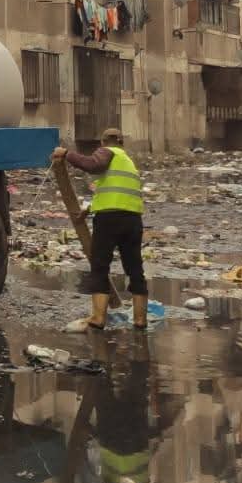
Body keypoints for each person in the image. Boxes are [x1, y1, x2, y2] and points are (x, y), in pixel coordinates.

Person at [53, 126, 147, 330]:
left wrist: (66, 154)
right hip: (133, 220)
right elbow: (115, 192)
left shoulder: (107, 152)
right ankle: (140, 319)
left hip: (109, 220)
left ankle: (98, 318)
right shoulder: (128, 162)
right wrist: (89, 209)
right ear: (122, 143)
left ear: (103, 142)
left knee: (100, 266)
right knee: (135, 269)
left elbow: (93, 165)